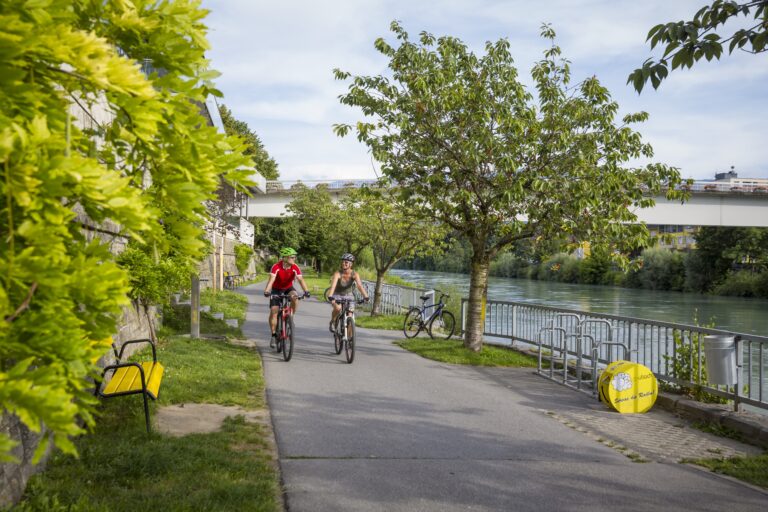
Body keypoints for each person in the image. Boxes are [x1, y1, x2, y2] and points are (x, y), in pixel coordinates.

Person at [263, 247, 310, 345]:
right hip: (276, 289)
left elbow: (301, 280)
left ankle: (290, 316)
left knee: (295, 297)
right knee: (274, 311)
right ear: (285, 258)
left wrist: (306, 291)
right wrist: (267, 291)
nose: (294, 259)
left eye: (294, 257)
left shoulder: (295, 267)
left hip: (288, 288)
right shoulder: (276, 267)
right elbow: (271, 279)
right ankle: (273, 334)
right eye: (292, 257)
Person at [328, 253, 369, 333]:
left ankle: (350, 340)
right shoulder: (338, 274)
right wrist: (330, 296)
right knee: (338, 308)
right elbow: (333, 286)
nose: (344, 263)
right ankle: (332, 321)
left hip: (349, 295)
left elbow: (359, 286)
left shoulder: (354, 274)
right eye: (343, 262)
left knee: (350, 315)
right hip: (337, 294)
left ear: (351, 264)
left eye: (346, 262)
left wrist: (366, 297)